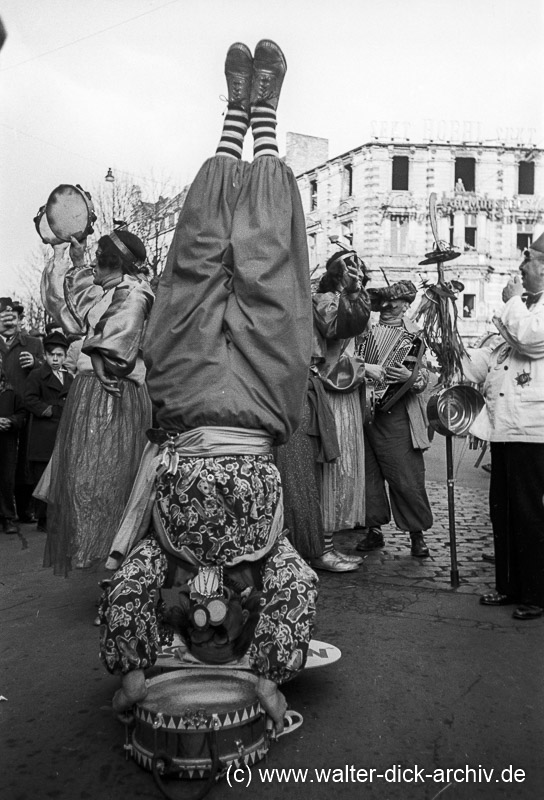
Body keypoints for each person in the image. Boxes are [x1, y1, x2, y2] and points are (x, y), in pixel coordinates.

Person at [99, 40, 317, 733]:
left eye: (195, 631)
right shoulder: (269, 569)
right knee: (269, 268)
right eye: (219, 629)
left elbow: (126, 590)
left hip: (189, 406)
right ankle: (266, 125)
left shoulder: (161, 562)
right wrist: (270, 682)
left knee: (194, 264)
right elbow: (300, 587)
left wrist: (134, 676)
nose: (205, 615)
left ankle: (232, 118)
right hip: (257, 406)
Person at [38, 230, 154, 576]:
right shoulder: (111, 291)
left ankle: (125, 576)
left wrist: (102, 358)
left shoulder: (137, 291)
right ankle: (109, 569)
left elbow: (120, 333)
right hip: (90, 395)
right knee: (88, 483)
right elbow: (76, 309)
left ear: (113, 263)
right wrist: (74, 259)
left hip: (117, 395)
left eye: (96, 261)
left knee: (117, 484)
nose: (91, 266)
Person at [463, 234, 544, 620]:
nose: (520, 270)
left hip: (533, 431)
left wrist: (512, 300)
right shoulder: (524, 310)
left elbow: (529, 341)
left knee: (529, 514)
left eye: (526, 261)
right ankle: (508, 585)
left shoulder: (530, 312)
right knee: (504, 511)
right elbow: (495, 359)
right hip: (507, 428)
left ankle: (535, 593)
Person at [356, 281, 433, 558]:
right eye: (384, 302)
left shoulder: (416, 335)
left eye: (395, 302)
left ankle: (417, 533)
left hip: (398, 413)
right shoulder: (363, 330)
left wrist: (411, 378)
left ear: (406, 304)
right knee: (367, 475)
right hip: (364, 411)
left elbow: (429, 376)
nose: (388, 307)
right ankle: (373, 530)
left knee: (406, 475)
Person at [309, 252, 375, 572]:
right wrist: (366, 369)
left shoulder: (343, 300)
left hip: (347, 398)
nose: (360, 275)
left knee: (344, 472)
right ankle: (321, 549)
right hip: (331, 397)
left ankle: (328, 545)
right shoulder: (325, 301)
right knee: (332, 472)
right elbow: (331, 361)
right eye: (354, 269)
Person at [24, 331, 74, 532]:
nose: (55, 359)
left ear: (65, 356)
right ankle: (43, 518)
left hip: (63, 434)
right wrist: (50, 410)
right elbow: (29, 399)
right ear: (45, 355)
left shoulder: (69, 377)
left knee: (61, 476)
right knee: (42, 477)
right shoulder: (36, 375)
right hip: (43, 435)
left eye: (59, 355)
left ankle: (57, 517)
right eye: (52, 354)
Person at [0, 297, 44, 523]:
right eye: (3, 318)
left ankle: (27, 510)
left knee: (26, 462)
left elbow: (48, 373)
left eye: (12, 318)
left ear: (19, 320)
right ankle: (5, 513)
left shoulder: (34, 344)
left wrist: (36, 364)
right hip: (2, 410)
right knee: (4, 463)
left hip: (26, 410)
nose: (8, 322)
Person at [0, 354, 27, 534]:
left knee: (6, 480)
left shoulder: (11, 392)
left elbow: (23, 414)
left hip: (6, 442)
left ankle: (7, 518)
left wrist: (11, 421)